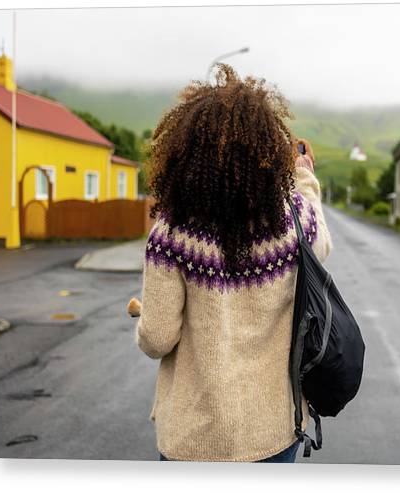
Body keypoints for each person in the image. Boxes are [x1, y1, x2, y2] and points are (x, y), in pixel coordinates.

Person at [135, 64, 332, 462]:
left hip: (192, 442)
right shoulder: (293, 220)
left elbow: (157, 339)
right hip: (274, 433)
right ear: (267, 155)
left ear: (185, 154)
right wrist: (304, 176)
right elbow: (322, 243)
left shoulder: (172, 233)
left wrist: (144, 321)